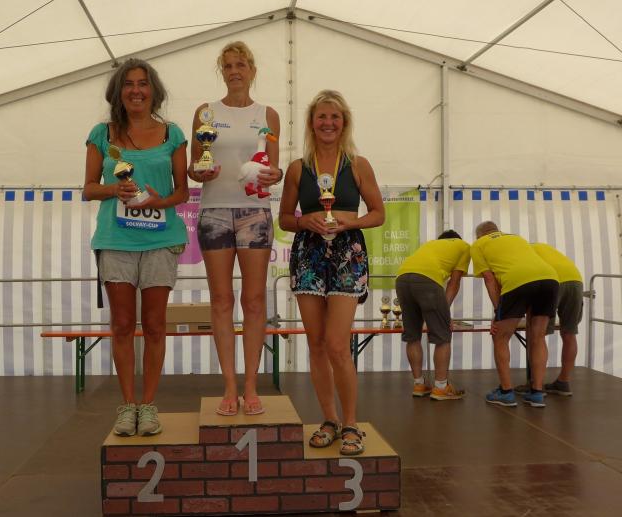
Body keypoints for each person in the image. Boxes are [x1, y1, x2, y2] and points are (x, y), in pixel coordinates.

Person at [83, 58, 189, 436]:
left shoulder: (173, 134)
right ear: (118, 92)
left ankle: (149, 406)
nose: (136, 91)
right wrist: (116, 189)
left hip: (161, 240)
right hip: (116, 240)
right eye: (128, 84)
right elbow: (88, 188)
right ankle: (128, 406)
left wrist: (159, 201)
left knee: (156, 325)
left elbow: (182, 191)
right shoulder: (102, 133)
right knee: (123, 325)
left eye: (143, 83)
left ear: (153, 90)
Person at [278, 90, 384, 455]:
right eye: (321, 117)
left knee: (338, 345)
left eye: (334, 117)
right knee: (317, 344)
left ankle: (351, 423)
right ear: (311, 123)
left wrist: (349, 221)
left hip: (347, 254)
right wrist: (303, 221)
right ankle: (329, 420)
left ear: (344, 123)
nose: (327, 123)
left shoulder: (358, 164)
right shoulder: (297, 168)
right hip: (308, 255)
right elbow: (284, 218)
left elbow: (378, 213)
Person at [188, 41, 282, 416]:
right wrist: (199, 172)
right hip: (213, 211)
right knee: (222, 301)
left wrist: (273, 175)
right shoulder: (206, 112)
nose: (234, 71)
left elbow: (273, 168)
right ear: (221, 71)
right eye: (227, 66)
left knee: (254, 301)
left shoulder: (267, 114)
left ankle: (251, 386)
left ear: (252, 70)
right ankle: (229, 386)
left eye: (241, 65)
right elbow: (194, 165)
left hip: (254, 212)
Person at [472, 222, 558, 408]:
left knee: (500, 336)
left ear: (479, 236)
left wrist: (498, 311)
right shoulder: (516, 237)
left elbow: (489, 279)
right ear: (497, 230)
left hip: (518, 281)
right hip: (550, 279)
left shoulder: (478, 244)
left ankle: (506, 392)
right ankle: (537, 393)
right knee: (538, 337)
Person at [395, 230, 470, 400]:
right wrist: (445, 312)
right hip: (427, 280)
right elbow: (454, 282)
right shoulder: (463, 246)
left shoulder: (430, 245)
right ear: (456, 239)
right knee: (442, 336)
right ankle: (441, 387)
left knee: (412, 335)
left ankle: (419, 384)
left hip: (402, 278)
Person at [531, 243, 583, 396]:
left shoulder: (522, 252)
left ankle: (536, 385)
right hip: (576, 280)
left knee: (538, 335)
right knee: (569, 333)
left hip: (552, 280)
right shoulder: (542, 247)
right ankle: (563, 382)